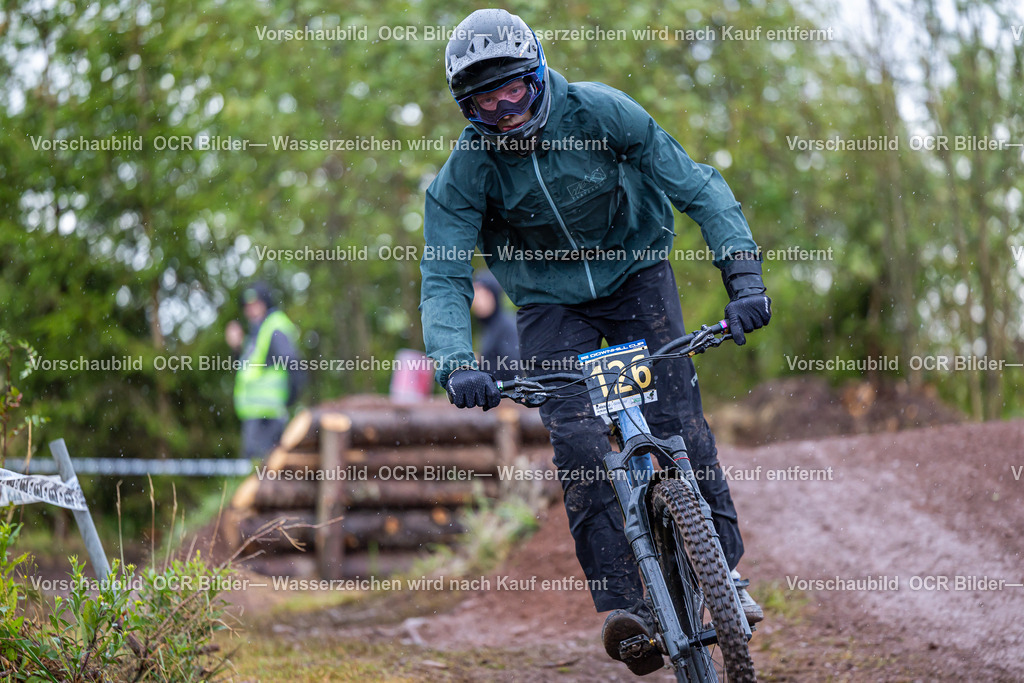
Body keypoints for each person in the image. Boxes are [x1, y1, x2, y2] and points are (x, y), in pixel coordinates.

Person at [419, 9, 771, 676]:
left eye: (513, 90)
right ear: (464, 106)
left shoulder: (604, 114)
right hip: (550, 306)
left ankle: (725, 575)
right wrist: (456, 361)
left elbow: (698, 187)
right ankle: (626, 605)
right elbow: (442, 274)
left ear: (538, 75)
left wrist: (743, 275)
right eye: (483, 101)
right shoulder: (466, 171)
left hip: (638, 274)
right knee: (578, 441)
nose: (503, 110)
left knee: (679, 422)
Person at [226, 282, 305, 460]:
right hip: (256, 415)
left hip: (267, 418)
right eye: (248, 306)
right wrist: (236, 349)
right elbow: (247, 371)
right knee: (258, 472)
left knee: (262, 470)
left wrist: (289, 400)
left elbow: (294, 364)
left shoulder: (273, 328)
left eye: (256, 304)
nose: (251, 310)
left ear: (266, 303)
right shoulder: (257, 333)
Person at [471, 271, 521, 382]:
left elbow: (514, 368)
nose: (478, 301)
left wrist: (481, 363)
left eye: (484, 295)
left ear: (494, 295)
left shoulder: (506, 326)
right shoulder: (488, 327)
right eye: (475, 294)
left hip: (507, 396)